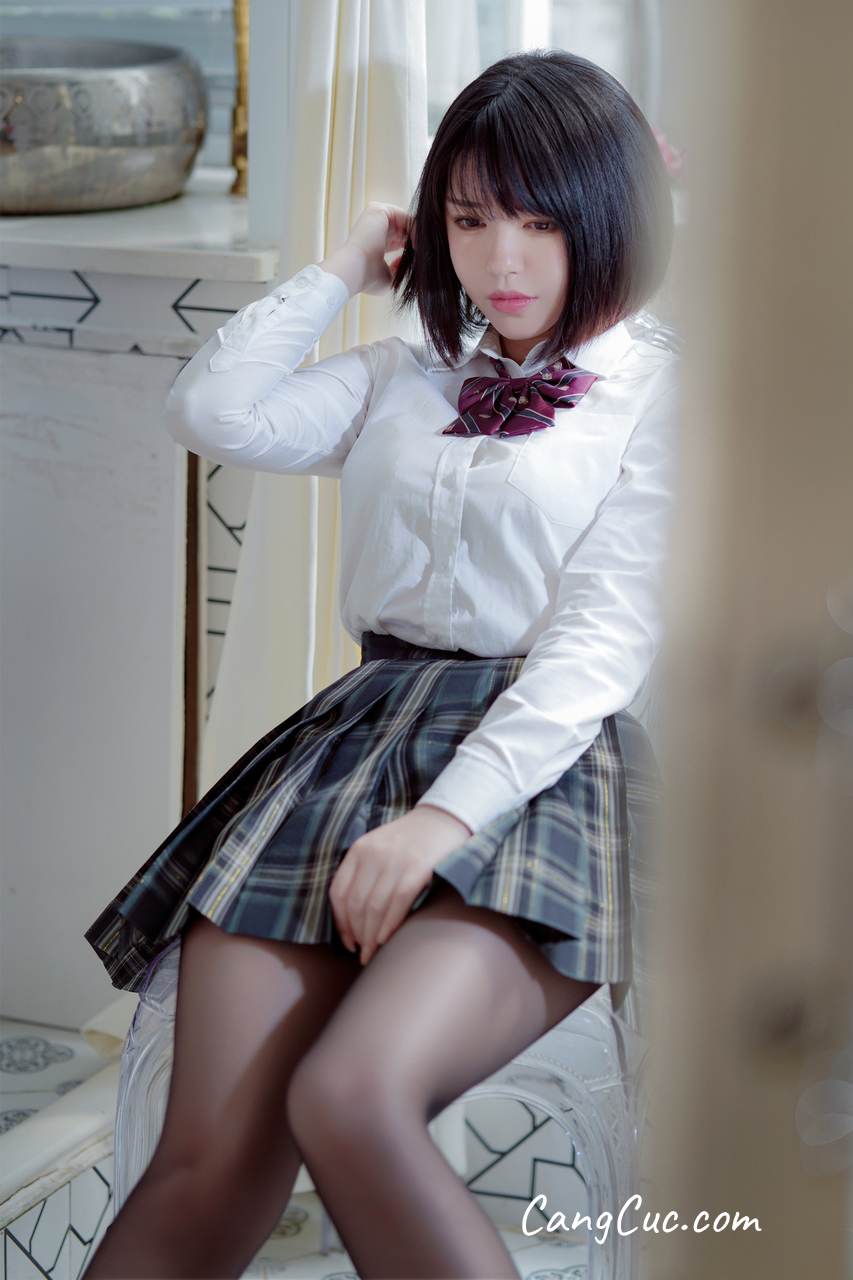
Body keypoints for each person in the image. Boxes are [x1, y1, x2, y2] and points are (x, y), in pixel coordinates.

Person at [84, 49, 677, 1280]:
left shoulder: (656, 396)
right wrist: (347, 267)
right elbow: (214, 413)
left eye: (541, 223)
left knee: (351, 1096)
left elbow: (597, 645)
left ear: (610, 220)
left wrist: (440, 822)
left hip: (542, 766)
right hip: (350, 752)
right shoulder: (405, 376)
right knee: (203, 1164)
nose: (501, 260)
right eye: (468, 219)